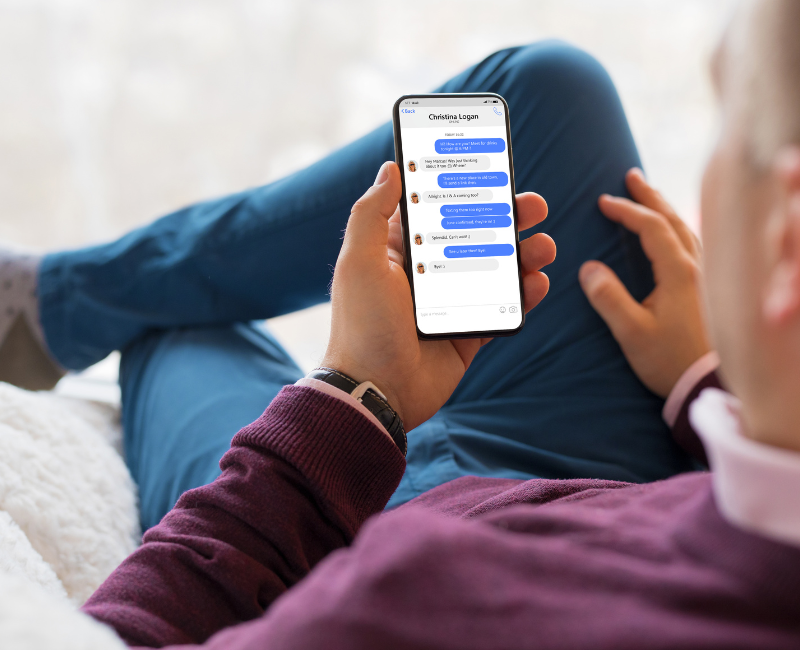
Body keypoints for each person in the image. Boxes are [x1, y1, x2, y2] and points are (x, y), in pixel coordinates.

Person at [2, 1, 799, 644]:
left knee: (180, 331)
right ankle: (57, 305)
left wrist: (351, 398)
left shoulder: (408, 600)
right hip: (630, 482)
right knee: (552, 89)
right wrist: (710, 383)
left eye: (727, 126)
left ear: (785, 245)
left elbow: (124, 634)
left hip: (360, 532)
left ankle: (63, 305)